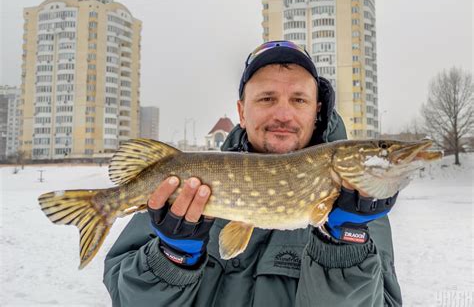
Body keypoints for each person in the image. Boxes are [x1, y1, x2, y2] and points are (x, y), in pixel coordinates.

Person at [104, 41, 402, 306]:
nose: (283, 115)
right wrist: (171, 257)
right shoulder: (188, 183)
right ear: (242, 111)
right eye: (267, 98)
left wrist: (345, 249)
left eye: (299, 100)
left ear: (317, 111)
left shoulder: (360, 210)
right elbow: (128, 298)